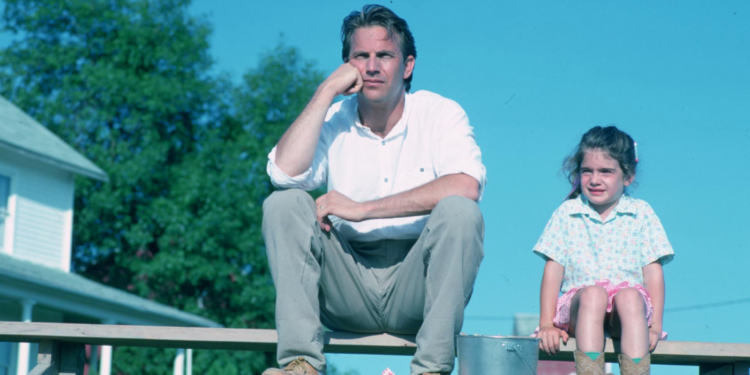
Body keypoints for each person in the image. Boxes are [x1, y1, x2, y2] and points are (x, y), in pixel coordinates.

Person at [261, 4, 486, 375]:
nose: (372, 66)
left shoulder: (440, 113)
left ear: (407, 65)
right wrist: (326, 90)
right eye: (360, 56)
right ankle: (300, 365)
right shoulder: (333, 117)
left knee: (461, 212)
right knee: (283, 204)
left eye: (385, 55)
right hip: (345, 286)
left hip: (418, 289)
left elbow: (466, 184)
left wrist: (364, 209)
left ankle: (431, 369)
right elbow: (282, 174)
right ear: (347, 65)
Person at [534, 126, 674, 375]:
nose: (595, 179)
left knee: (630, 296)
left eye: (606, 171)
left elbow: (653, 274)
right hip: (582, 312)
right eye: (587, 171)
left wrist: (655, 326)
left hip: (627, 316)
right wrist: (546, 323)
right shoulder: (567, 213)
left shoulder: (641, 214)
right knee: (593, 294)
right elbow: (553, 272)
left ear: (628, 176)